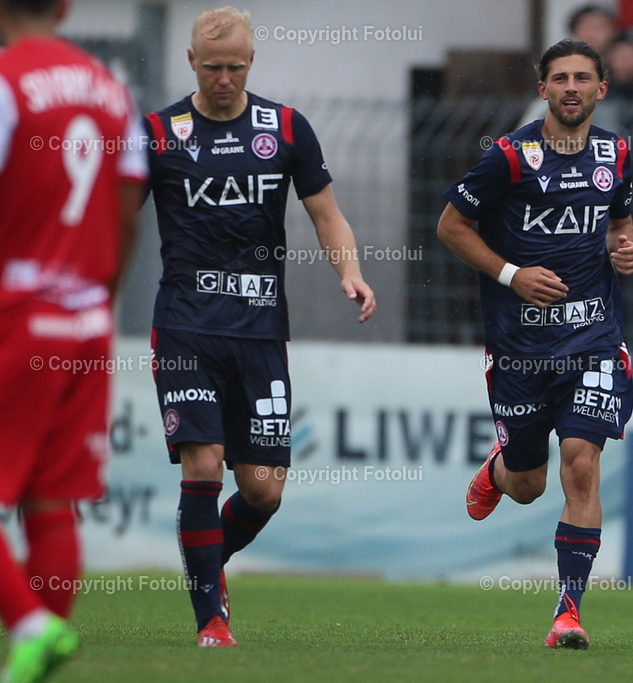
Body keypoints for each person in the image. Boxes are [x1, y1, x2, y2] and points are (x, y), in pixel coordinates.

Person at [143, 7, 375, 647]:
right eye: (212, 66)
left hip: (260, 330)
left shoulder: (287, 127)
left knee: (264, 491)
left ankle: (207, 563)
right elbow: (112, 216)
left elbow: (327, 215)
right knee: (204, 463)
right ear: (191, 62)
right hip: (186, 327)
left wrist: (349, 272)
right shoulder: (159, 134)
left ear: (252, 63)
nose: (224, 78)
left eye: (236, 67)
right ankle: (211, 619)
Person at [438, 38, 633, 650]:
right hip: (520, 349)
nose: (572, 87)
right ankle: (500, 471)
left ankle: (568, 613)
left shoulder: (616, 153)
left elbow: (620, 222)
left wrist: (626, 248)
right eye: (560, 78)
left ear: (601, 89)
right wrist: (511, 275)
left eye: (583, 77)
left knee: (582, 465)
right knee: (529, 484)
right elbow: (451, 226)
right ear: (543, 87)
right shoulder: (509, 157)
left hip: (594, 340)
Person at [0, 0, 146, 678]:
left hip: (19, 313)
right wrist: (98, 304)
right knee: (49, 497)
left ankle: (30, 624)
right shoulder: (115, 92)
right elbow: (127, 212)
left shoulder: (7, 81)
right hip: (87, 320)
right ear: (64, 6)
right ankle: (40, 648)